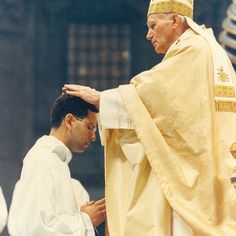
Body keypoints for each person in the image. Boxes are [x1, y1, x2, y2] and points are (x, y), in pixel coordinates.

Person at [63, 0, 236, 235]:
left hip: (192, 181)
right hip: (210, 175)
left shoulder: (193, 50)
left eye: (153, 25)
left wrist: (101, 99)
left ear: (174, 20)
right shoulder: (210, 49)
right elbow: (177, 115)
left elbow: (153, 94)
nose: (148, 34)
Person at [8, 94, 106, 236]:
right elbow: (35, 227)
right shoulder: (42, 158)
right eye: (90, 127)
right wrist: (85, 220)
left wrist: (81, 215)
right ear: (69, 121)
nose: (93, 137)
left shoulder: (56, 161)